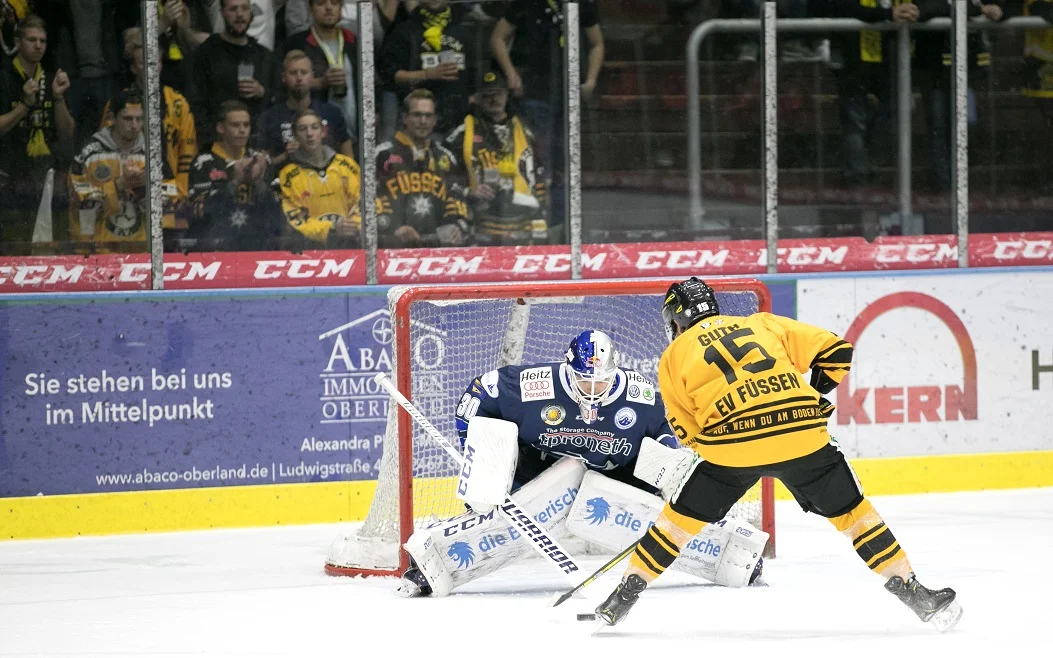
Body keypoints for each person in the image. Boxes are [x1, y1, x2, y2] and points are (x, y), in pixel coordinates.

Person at [594, 277, 962, 632]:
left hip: (731, 449)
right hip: (802, 436)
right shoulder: (762, 323)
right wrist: (810, 399)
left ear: (675, 321)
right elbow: (837, 353)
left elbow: (686, 431)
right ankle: (914, 592)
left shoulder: (673, 355)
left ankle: (621, 597)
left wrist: (710, 454)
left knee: (675, 526)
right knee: (854, 515)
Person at [395, 329, 769, 599]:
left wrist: (671, 468)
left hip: (617, 473)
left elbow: (666, 433)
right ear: (568, 368)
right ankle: (431, 564)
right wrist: (479, 458)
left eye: (601, 382)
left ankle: (731, 551)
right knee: (495, 507)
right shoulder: (535, 384)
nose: (592, 391)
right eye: (583, 381)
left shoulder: (639, 395)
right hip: (540, 469)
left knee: (665, 493)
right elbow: (479, 393)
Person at [102, 29, 198, 243]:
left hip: (170, 190)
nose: (151, 68)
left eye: (156, 62)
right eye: (144, 62)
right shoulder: (117, 104)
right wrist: (120, 185)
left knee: (170, 250)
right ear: (133, 68)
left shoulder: (178, 103)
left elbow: (187, 153)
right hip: (128, 192)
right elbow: (106, 150)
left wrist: (181, 192)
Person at [445, 70, 547, 246]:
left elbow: (538, 178)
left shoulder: (525, 133)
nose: (494, 99)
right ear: (477, 99)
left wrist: (540, 222)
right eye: (487, 95)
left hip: (522, 227)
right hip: (479, 228)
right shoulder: (461, 135)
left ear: (507, 95)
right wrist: (469, 191)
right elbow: (445, 179)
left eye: (498, 94)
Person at [0, 14, 74, 252]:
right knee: (13, 246)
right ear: (17, 42)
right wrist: (25, 105)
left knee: (51, 244)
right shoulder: (4, 76)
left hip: (45, 175)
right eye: (31, 40)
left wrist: (59, 98)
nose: (38, 45)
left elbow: (67, 132)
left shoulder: (51, 78)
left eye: (42, 41)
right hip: (10, 174)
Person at [68, 91, 161, 252]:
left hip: (140, 253)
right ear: (111, 118)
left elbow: (168, 211)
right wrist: (119, 185)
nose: (134, 125)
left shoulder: (151, 156)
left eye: (139, 119)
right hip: (95, 253)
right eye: (127, 119)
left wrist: (143, 189)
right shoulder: (88, 156)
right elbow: (81, 206)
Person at [375, 89, 468, 248]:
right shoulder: (382, 155)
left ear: (435, 120)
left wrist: (455, 227)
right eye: (417, 115)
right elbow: (370, 200)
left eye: (428, 116)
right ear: (405, 118)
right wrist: (393, 227)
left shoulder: (445, 157)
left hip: (436, 249)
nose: (423, 121)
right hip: (393, 248)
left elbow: (456, 199)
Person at [189, 100, 282, 250]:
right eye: (235, 125)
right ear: (220, 128)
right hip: (215, 245)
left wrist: (259, 184)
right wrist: (234, 182)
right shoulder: (203, 163)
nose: (242, 130)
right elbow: (198, 210)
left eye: (246, 125)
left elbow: (279, 210)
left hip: (258, 245)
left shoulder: (260, 161)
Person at [378, 0, 475, 135]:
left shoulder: (463, 32)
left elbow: (473, 77)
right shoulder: (404, 31)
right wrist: (427, 75)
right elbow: (389, 75)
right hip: (418, 123)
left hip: (457, 123)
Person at [191, 0, 274, 145]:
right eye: (233, 9)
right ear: (222, 12)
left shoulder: (263, 55)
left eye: (244, 8)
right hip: (216, 141)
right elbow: (196, 101)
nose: (240, 14)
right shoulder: (206, 53)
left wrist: (262, 92)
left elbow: (280, 96)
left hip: (256, 141)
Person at [276, 107, 361, 247]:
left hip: (352, 244)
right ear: (295, 135)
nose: (309, 134)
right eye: (302, 129)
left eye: (314, 127)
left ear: (323, 132)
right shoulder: (288, 175)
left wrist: (354, 224)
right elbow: (295, 217)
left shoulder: (347, 166)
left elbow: (364, 202)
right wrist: (331, 229)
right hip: (309, 249)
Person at [257, 49, 353, 169]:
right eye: (293, 73)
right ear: (283, 77)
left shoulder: (332, 113)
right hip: (285, 178)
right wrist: (285, 155)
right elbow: (261, 166)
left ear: (312, 76)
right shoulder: (270, 118)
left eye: (304, 72)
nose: (299, 78)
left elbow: (349, 159)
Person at [279, 0, 358, 141]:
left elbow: (372, 82)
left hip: (355, 130)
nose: (329, 8)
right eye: (321, 3)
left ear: (341, 7)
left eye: (334, 3)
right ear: (310, 9)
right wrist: (320, 83)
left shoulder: (354, 41)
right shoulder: (296, 44)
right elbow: (281, 86)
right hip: (312, 134)